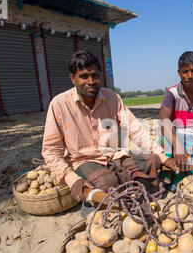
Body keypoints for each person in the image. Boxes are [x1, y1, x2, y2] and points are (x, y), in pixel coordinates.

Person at [42, 51, 178, 205]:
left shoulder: (112, 97)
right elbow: (51, 151)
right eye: (84, 76)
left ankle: (132, 193)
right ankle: (108, 200)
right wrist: (71, 179)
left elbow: (135, 130)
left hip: (114, 157)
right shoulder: (59, 104)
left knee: (153, 161)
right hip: (84, 161)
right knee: (106, 182)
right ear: (73, 78)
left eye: (95, 75)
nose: (91, 81)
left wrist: (163, 157)